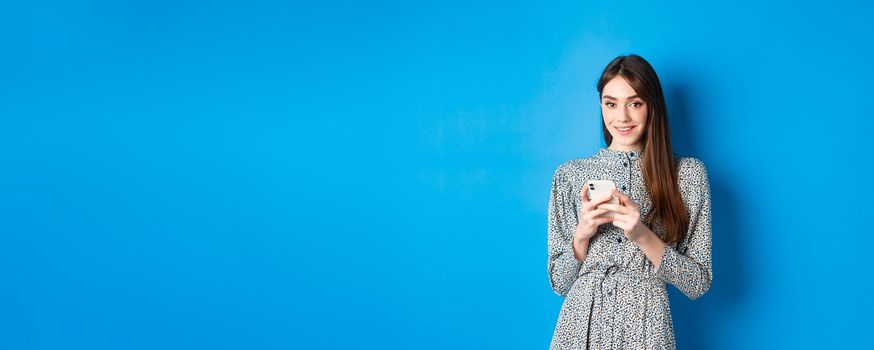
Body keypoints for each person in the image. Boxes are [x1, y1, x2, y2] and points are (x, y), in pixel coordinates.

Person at [546, 54, 712, 350]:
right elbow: (559, 283)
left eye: (634, 103)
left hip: (647, 324)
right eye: (611, 103)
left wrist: (641, 235)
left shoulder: (688, 175)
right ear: (601, 105)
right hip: (580, 326)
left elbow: (697, 282)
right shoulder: (570, 175)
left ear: (652, 106)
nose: (621, 117)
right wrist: (582, 235)